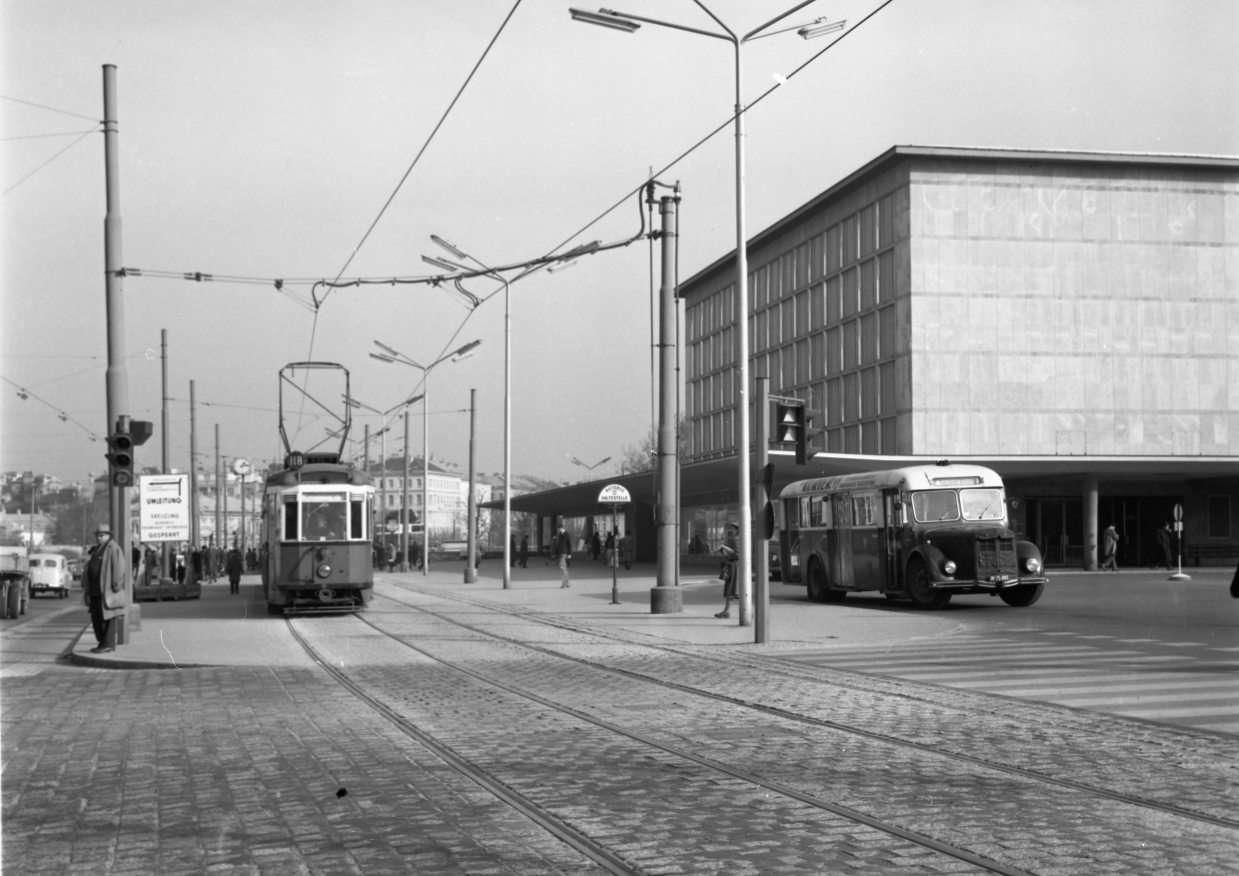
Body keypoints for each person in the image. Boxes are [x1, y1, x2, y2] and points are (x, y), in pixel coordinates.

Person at [83, 524, 127, 653]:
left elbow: (119, 568)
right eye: (97, 535)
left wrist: (116, 585)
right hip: (96, 591)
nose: (98, 538)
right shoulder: (98, 549)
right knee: (97, 619)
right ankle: (102, 643)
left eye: (101, 535)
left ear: (108, 535)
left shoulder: (113, 548)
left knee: (107, 618)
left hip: (106, 590)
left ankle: (108, 644)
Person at [716, 523, 740, 618]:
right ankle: (748, 611)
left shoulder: (737, 539)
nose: (732, 531)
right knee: (738, 590)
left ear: (738, 529)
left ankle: (726, 612)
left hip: (735, 566)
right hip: (739, 566)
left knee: (731, 589)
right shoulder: (742, 538)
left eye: (733, 529)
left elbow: (737, 555)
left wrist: (726, 551)